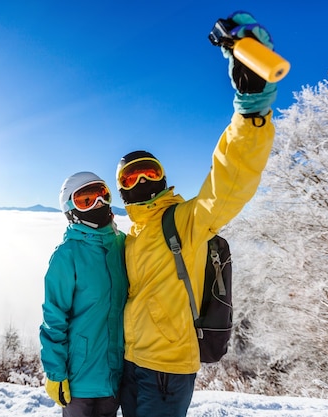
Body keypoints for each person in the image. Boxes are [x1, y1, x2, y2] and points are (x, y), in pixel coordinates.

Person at [116, 12, 279, 417]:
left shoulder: (186, 220)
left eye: (148, 172)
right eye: (130, 177)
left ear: (163, 178)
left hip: (167, 373)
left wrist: (250, 112)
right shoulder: (130, 236)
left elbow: (229, 182)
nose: (140, 182)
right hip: (130, 366)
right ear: (121, 189)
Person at [39, 171, 128, 417]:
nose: (98, 203)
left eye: (102, 195)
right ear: (71, 209)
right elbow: (54, 318)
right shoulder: (67, 255)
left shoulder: (123, 245)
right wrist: (56, 373)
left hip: (114, 375)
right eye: (86, 200)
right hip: (79, 380)